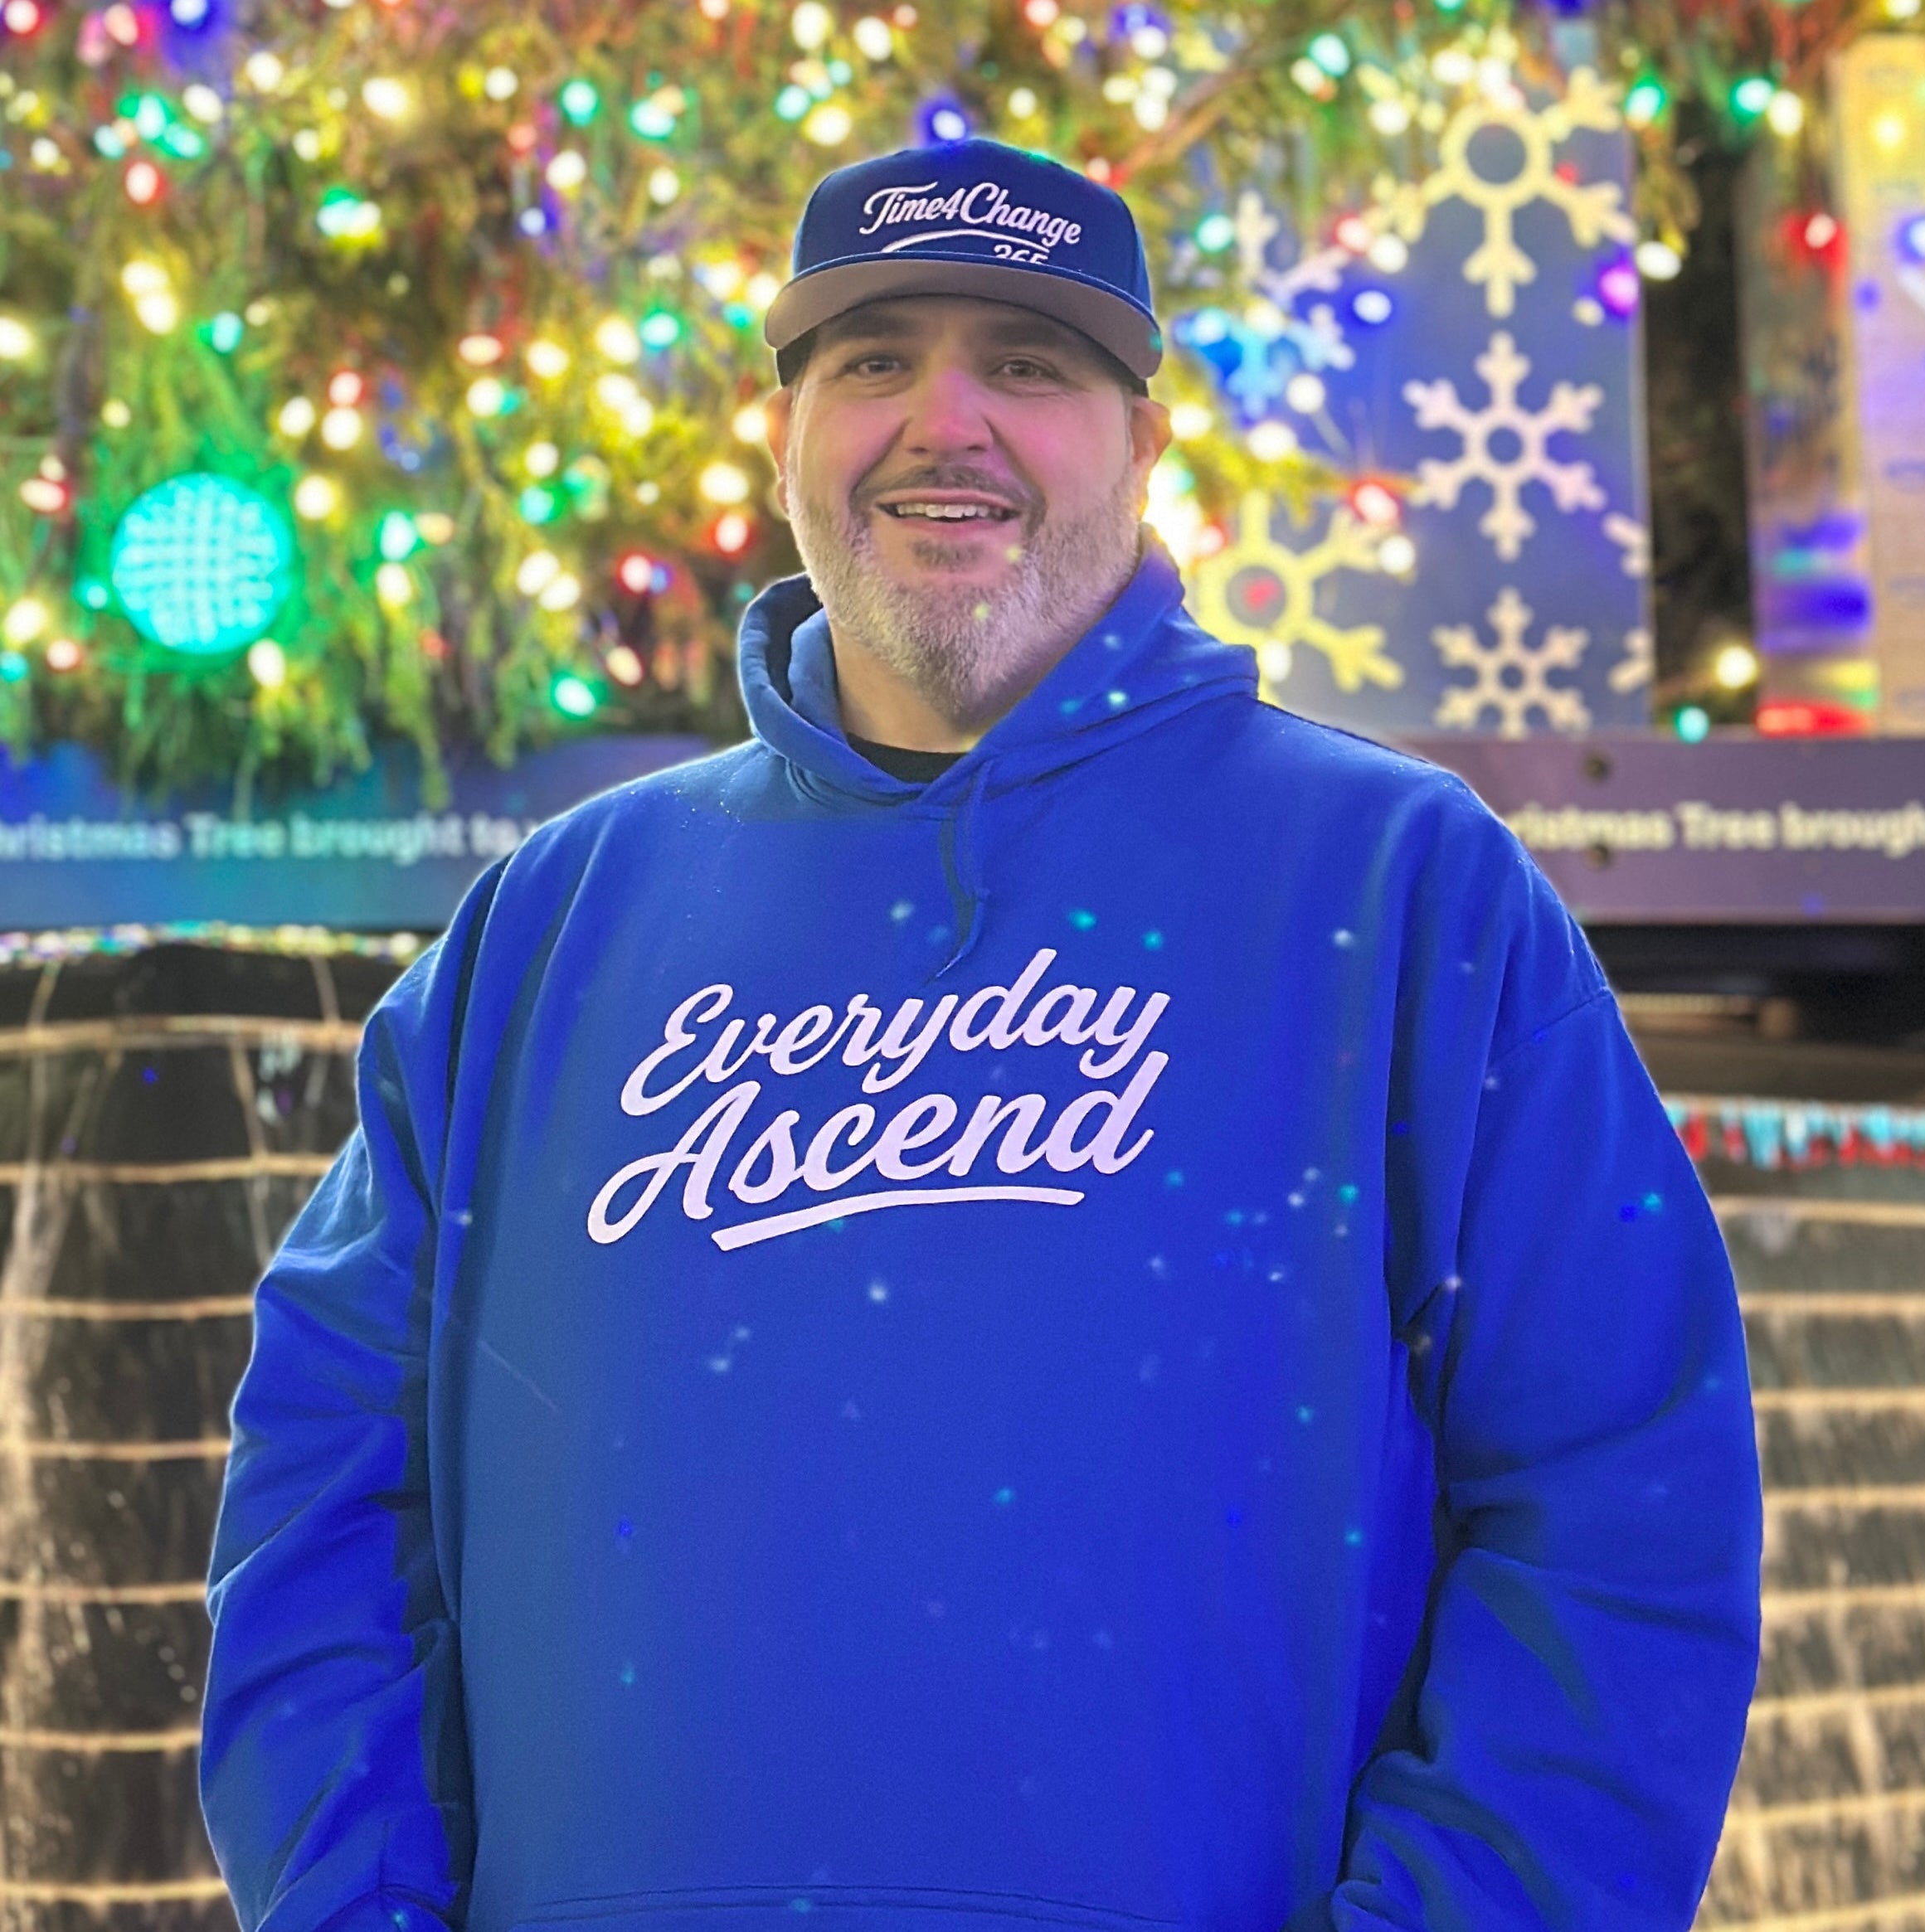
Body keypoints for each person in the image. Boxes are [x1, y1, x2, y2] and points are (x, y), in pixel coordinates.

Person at [200, 138, 1762, 1932]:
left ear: (1146, 444)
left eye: (1028, 359)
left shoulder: (1408, 894)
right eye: (874, 357)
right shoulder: (548, 928)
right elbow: (322, 1497)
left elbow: (1620, 1507)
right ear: (785, 431)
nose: (947, 418)